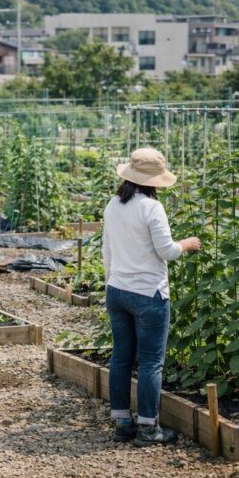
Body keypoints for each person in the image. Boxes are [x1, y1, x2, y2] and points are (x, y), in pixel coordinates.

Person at [102, 148, 201, 447]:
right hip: (148, 294)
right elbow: (167, 251)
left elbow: (106, 252)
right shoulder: (151, 208)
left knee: (120, 358)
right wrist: (187, 244)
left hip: (116, 290)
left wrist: (113, 280)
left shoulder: (113, 205)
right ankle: (148, 429)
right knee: (150, 362)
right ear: (154, 181)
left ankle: (122, 423)